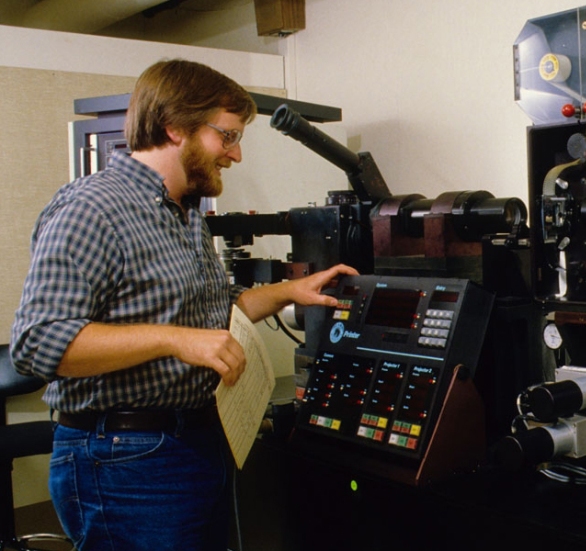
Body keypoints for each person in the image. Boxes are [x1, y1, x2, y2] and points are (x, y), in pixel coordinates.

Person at [9, 58, 357, 551]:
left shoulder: (185, 214)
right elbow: (37, 344)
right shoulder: (91, 209)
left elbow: (211, 317)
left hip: (194, 443)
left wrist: (289, 292)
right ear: (175, 128)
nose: (235, 156)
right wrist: (175, 341)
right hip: (125, 461)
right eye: (227, 136)